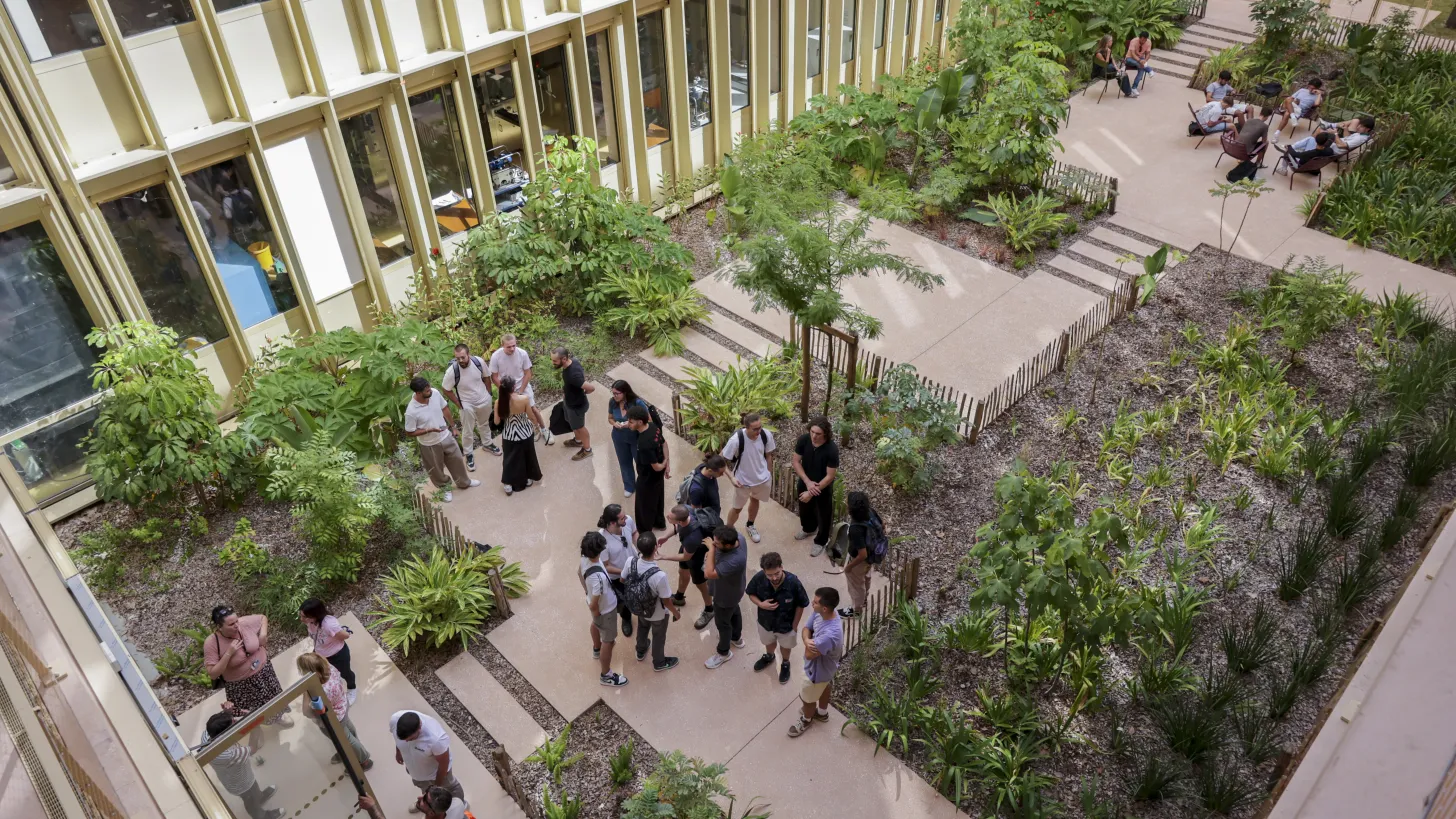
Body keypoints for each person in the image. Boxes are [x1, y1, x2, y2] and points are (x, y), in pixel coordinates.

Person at [204, 606, 292, 727]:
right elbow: (213, 673)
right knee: (251, 711)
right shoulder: (212, 643)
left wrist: (263, 635)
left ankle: (278, 716)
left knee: (273, 697)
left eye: (236, 621)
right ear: (219, 627)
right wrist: (229, 653)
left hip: (264, 672)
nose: (236, 625)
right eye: (231, 624)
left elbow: (262, 618)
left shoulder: (243, 623)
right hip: (241, 685)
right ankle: (258, 729)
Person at [404, 377, 480, 503]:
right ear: (418, 393)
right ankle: (445, 488)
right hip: (429, 444)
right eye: (426, 391)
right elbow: (409, 432)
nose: (430, 391)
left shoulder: (434, 393)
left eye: (429, 388)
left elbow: (444, 408)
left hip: (445, 436)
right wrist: (429, 430)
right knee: (436, 469)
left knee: (456, 459)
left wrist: (453, 427)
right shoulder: (411, 411)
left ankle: (464, 482)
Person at [296, 652, 373, 769]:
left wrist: (306, 690)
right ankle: (349, 751)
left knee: (345, 740)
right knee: (349, 729)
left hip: (333, 719)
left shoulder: (321, 691)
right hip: (343, 706)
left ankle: (363, 760)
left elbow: (307, 712)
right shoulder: (330, 669)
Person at [201, 711, 283, 819]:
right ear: (225, 734)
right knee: (250, 801)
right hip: (240, 784)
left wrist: (246, 715)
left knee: (254, 788)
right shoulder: (227, 755)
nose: (236, 721)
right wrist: (255, 727)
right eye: (233, 723)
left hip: (242, 775)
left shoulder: (207, 733)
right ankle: (261, 816)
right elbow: (252, 748)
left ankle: (260, 797)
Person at [788, 587, 844, 738]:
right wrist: (807, 640)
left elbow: (808, 654)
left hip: (816, 672)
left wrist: (807, 643)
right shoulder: (823, 614)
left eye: (815, 603)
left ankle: (807, 719)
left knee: (807, 698)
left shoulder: (830, 634)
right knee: (825, 686)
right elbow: (807, 628)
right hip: (827, 670)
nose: (812, 604)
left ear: (824, 608)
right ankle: (822, 713)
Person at [746, 552, 810, 685]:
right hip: (765, 623)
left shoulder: (793, 583)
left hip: (786, 626)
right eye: (769, 575)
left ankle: (785, 663)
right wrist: (760, 604)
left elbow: (801, 604)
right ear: (763, 571)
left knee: (786, 646)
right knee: (768, 642)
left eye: (777, 573)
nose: (774, 577)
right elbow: (750, 593)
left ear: (781, 567)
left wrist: (794, 626)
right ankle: (769, 656)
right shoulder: (759, 578)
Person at [579, 532, 629, 687]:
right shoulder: (599, 579)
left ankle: (596, 648)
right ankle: (606, 674)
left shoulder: (583, 560)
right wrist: (597, 613)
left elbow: (578, 574)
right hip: (605, 610)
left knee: (595, 624)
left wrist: (587, 592)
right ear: (599, 551)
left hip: (599, 609)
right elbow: (594, 604)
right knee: (609, 641)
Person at [441, 343, 501, 471]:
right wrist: (458, 403)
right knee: (468, 430)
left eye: (463, 357)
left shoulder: (478, 361)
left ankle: (487, 443)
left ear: (468, 354)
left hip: (483, 399)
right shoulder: (452, 371)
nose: (460, 360)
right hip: (466, 404)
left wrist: (488, 394)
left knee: (484, 423)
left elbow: (486, 376)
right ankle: (468, 454)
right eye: (457, 358)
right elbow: (446, 389)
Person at [627, 531, 680, 671]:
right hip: (657, 613)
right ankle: (659, 662)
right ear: (656, 548)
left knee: (642, 627)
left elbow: (623, 579)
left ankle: (640, 650)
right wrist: (676, 613)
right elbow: (666, 600)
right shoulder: (659, 576)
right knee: (658, 636)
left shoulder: (630, 562)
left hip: (639, 607)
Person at [390, 710, 464, 810]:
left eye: (411, 739)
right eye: (404, 739)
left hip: (436, 774)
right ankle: (426, 803)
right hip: (417, 772)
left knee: (451, 788)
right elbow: (399, 739)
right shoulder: (395, 720)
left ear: (420, 726)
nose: (406, 741)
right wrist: (398, 751)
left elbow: (443, 765)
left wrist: (435, 788)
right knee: (424, 788)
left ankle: (460, 806)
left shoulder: (436, 739)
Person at [657, 504, 714, 630]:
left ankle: (710, 609)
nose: (667, 517)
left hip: (696, 556)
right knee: (682, 572)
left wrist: (663, 556)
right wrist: (665, 537)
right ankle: (679, 597)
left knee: (701, 584)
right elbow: (677, 527)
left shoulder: (692, 538)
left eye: (670, 518)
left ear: (680, 521)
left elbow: (686, 557)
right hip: (687, 549)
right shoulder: (687, 511)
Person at [721, 414, 775, 543]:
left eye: (760, 427)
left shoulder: (765, 435)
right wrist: (732, 478)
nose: (758, 431)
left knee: (755, 501)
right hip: (742, 482)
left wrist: (768, 473)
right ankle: (728, 530)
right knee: (737, 507)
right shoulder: (736, 440)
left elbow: (768, 455)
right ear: (746, 428)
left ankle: (750, 525)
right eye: (755, 429)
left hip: (762, 480)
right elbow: (721, 460)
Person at [702, 525, 749, 669]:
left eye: (716, 544)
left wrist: (710, 551)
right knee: (734, 611)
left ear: (728, 545)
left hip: (725, 594)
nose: (713, 544)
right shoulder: (738, 537)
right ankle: (736, 638)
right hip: (734, 591)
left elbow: (708, 574)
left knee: (722, 624)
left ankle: (723, 652)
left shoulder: (734, 560)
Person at [792, 416, 840, 556]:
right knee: (804, 507)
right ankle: (808, 529)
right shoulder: (803, 440)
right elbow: (796, 462)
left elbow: (830, 476)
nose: (814, 436)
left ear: (825, 433)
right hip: (805, 480)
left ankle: (821, 541)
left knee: (824, 514)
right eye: (812, 432)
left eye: (818, 433)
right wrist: (807, 482)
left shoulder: (831, 449)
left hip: (822, 486)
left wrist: (812, 491)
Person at [489, 334, 551, 442]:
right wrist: (505, 391)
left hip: (522, 385)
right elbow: (494, 377)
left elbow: (528, 373)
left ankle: (543, 429)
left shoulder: (522, 353)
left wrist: (521, 391)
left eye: (514, 345)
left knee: (533, 408)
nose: (512, 348)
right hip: (506, 388)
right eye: (509, 346)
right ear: (502, 345)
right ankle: (529, 429)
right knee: (509, 411)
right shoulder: (496, 356)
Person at [299, 598, 357, 705]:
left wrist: (335, 635)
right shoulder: (311, 622)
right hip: (321, 655)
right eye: (301, 615)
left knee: (345, 673)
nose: (301, 619)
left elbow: (345, 636)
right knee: (325, 675)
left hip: (337, 655)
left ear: (315, 615)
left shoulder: (329, 625)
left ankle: (352, 688)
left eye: (304, 617)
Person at [493, 376, 542, 495]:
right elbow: (530, 416)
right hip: (525, 432)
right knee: (527, 455)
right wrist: (536, 425)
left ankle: (508, 484)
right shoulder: (524, 399)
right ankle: (528, 478)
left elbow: (496, 422)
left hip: (509, 434)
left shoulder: (499, 402)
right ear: (514, 387)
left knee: (509, 459)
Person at [598, 504, 638, 638]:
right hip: (617, 577)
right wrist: (624, 572)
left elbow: (634, 533)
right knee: (624, 602)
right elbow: (606, 566)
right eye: (622, 518)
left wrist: (641, 546)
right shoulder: (602, 540)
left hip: (634, 565)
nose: (626, 519)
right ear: (612, 522)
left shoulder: (628, 521)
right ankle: (626, 618)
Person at [626, 404, 669, 530]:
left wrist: (663, 465)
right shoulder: (653, 426)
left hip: (647, 477)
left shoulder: (644, 443)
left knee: (643, 504)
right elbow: (664, 443)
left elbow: (655, 466)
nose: (629, 424)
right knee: (658, 498)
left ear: (640, 422)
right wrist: (667, 462)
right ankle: (659, 523)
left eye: (631, 422)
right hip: (658, 476)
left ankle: (645, 531)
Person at [551, 348, 595, 461]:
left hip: (576, 406)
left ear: (564, 359)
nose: (553, 363)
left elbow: (591, 388)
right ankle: (578, 441)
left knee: (580, 427)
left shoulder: (573, 375)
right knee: (572, 423)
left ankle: (587, 450)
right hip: (569, 402)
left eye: (555, 361)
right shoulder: (573, 361)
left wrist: (583, 393)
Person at [607, 380, 649, 496]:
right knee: (624, 462)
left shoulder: (637, 403)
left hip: (635, 437)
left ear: (624, 392)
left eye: (617, 393)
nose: (614, 396)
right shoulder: (612, 402)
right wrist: (614, 423)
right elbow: (610, 418)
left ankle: (645, 485)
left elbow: (648, 420)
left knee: (640, 462)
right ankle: (629, 486)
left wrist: (630, 424)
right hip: (619, 436)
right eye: (613, 393)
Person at [840, 491, 876, 619]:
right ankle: (864, 599)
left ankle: (856, 610)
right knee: (866, 577)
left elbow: (862, 554)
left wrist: (849, 566)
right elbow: (882, 526)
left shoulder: (856, 528)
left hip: (861, 560)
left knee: (856, 585)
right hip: (872, 555)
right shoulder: (871, 512)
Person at [1123, 31, 1153, 96]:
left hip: (1141, 60)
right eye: (1142, 40)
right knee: (1140, 65)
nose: (1143, 41)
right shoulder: (1134, 41)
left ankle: (1134, 87)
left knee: (1141, 68)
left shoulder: (1148, 42)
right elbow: (1133, 54)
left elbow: (1148, 54)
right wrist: (1140, 61)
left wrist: (1145, 60)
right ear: (1139, 38)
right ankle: (1149, 69)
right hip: (1130, 58)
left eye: (1145, 40)